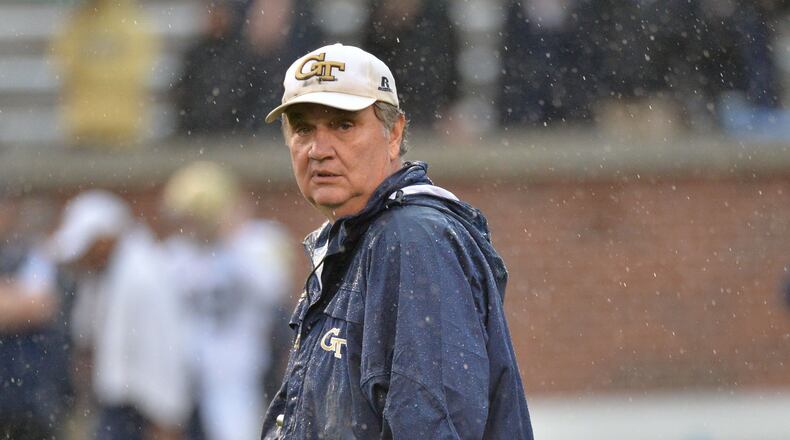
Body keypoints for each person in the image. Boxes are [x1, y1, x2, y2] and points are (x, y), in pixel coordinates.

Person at [259, 43, 534, 439]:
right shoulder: (362, 239)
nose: (318, 150)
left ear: (395, 133)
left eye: (343, 125)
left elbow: (430, 423)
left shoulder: (412, 240)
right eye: (303, 128)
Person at [160, 161, 292, 440]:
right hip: (187, 373)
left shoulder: (255, 242)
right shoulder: (175, 255)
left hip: (242, 369)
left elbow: (273, 288)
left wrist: (231, 237)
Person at [50, 190, 190, 440]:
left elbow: (164, 353)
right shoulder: (104, 274)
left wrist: (166, 421)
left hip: (143, 409)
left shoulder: (144, 275)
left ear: (105, 240)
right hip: (119, 404)